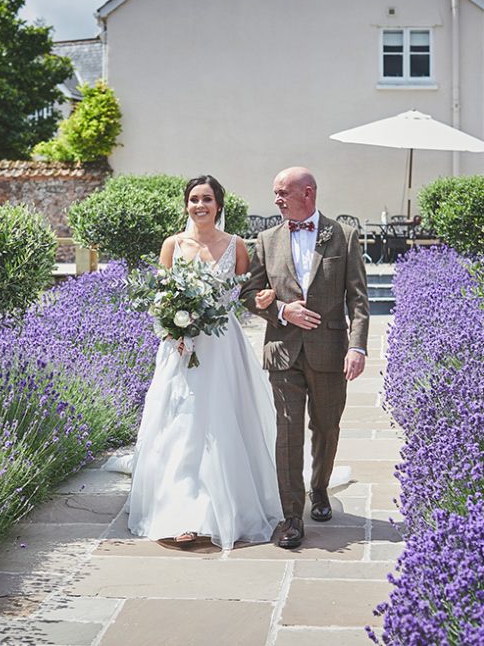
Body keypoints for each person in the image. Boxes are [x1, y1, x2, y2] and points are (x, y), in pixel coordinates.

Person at [127, 175, 283, 549]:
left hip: (221, 344)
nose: (200, 205)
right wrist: (172, 331)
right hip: (180, 347)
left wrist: (264, 300)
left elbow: (246, 294)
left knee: (220, 423)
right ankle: (181, 511)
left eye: (207, 199)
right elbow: (160, 298)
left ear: (219, 205)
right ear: (186, 205)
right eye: (194, 199)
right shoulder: (173, 245)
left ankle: (218, 510)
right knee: (180, 424)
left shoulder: (236, 246)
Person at [240, 166, 370, 549]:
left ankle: (320, 488)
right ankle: (292, 516)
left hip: (330, 351)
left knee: (327, 428)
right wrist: (281, 310)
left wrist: (357, 347)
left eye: (283, 192)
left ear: (308, 193)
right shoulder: (265, 240)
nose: (276, 199)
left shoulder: (343, 237)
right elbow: (250, 295)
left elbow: (359, 301)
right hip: (282, 352)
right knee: (288, 433)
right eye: (276, 192)